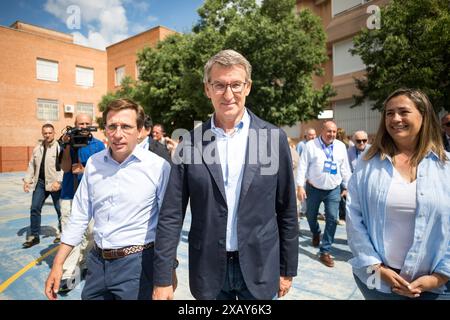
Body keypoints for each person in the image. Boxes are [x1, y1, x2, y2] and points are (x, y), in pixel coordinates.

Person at [152, 49, 298, 300]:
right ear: (207, 89)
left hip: (261, 267)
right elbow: (171, 214)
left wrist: (287, 269)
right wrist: (163, 277)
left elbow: (286, 209)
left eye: (236, 85)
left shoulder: (273, 139)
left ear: (248, 87)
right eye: (219, 85)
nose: (228, 94)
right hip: (208, 271)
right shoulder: (189, 144)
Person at [45, 99, 171, 300]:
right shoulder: (94, 164)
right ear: (105, 130)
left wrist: (167, 274)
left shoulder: (158, 167)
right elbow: (79, 216)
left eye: (126, 126)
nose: (118, 134)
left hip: (138, 266)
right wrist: (58, 264)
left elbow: (168, 224)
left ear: (140, 131)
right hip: (97, 263)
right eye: (112, 126)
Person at [346, 88, 450, 300]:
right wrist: (376, 268)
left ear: (424, 115)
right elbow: (354, 217)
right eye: (389, 113)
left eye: (403, 112)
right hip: (375, 279)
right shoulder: (368, 162)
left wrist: (439, 277)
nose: (395, 119)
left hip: (433, 285)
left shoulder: (445, 166)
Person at [58, 113, 105, 291]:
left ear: (91, 125)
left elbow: (103, 172)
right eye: (80, 123)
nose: (84, 126)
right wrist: (68, 146)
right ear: (74, 125)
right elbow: (64, 167)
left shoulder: (98, 145)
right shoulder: (67, 143)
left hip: (92, 197)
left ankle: (84, 263)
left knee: (91, 234)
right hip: (70, 195)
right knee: (70, 234)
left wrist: (85, 170)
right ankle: (67, 274)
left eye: (87, 123)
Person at [296, 120, 351, 267]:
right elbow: (302, 166)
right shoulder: (310, 146)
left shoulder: (340, 147)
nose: (331, 134)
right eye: (328, 131)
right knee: (310, 215)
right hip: (313, 188)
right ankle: (315, 232)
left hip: (333, 189)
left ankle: (325, 250)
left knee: (332, 218)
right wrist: (300, 186)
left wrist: (348, 187)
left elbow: (345, 168)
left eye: (334, 132)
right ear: (322, 131)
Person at [22, 123, 63, 248]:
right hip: (40, 183)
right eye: (45, 133)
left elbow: (64, 166)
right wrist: (27, 180)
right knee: (34, 207)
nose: (47, 135)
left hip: (55, 183)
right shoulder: (37, 148)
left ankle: (63, 233)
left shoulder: (60, 147)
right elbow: (32, 165)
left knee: (60, 209)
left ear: (54, 133)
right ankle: (34, 236)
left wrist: (59, 181)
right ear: (42, 134)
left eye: (50, 132)